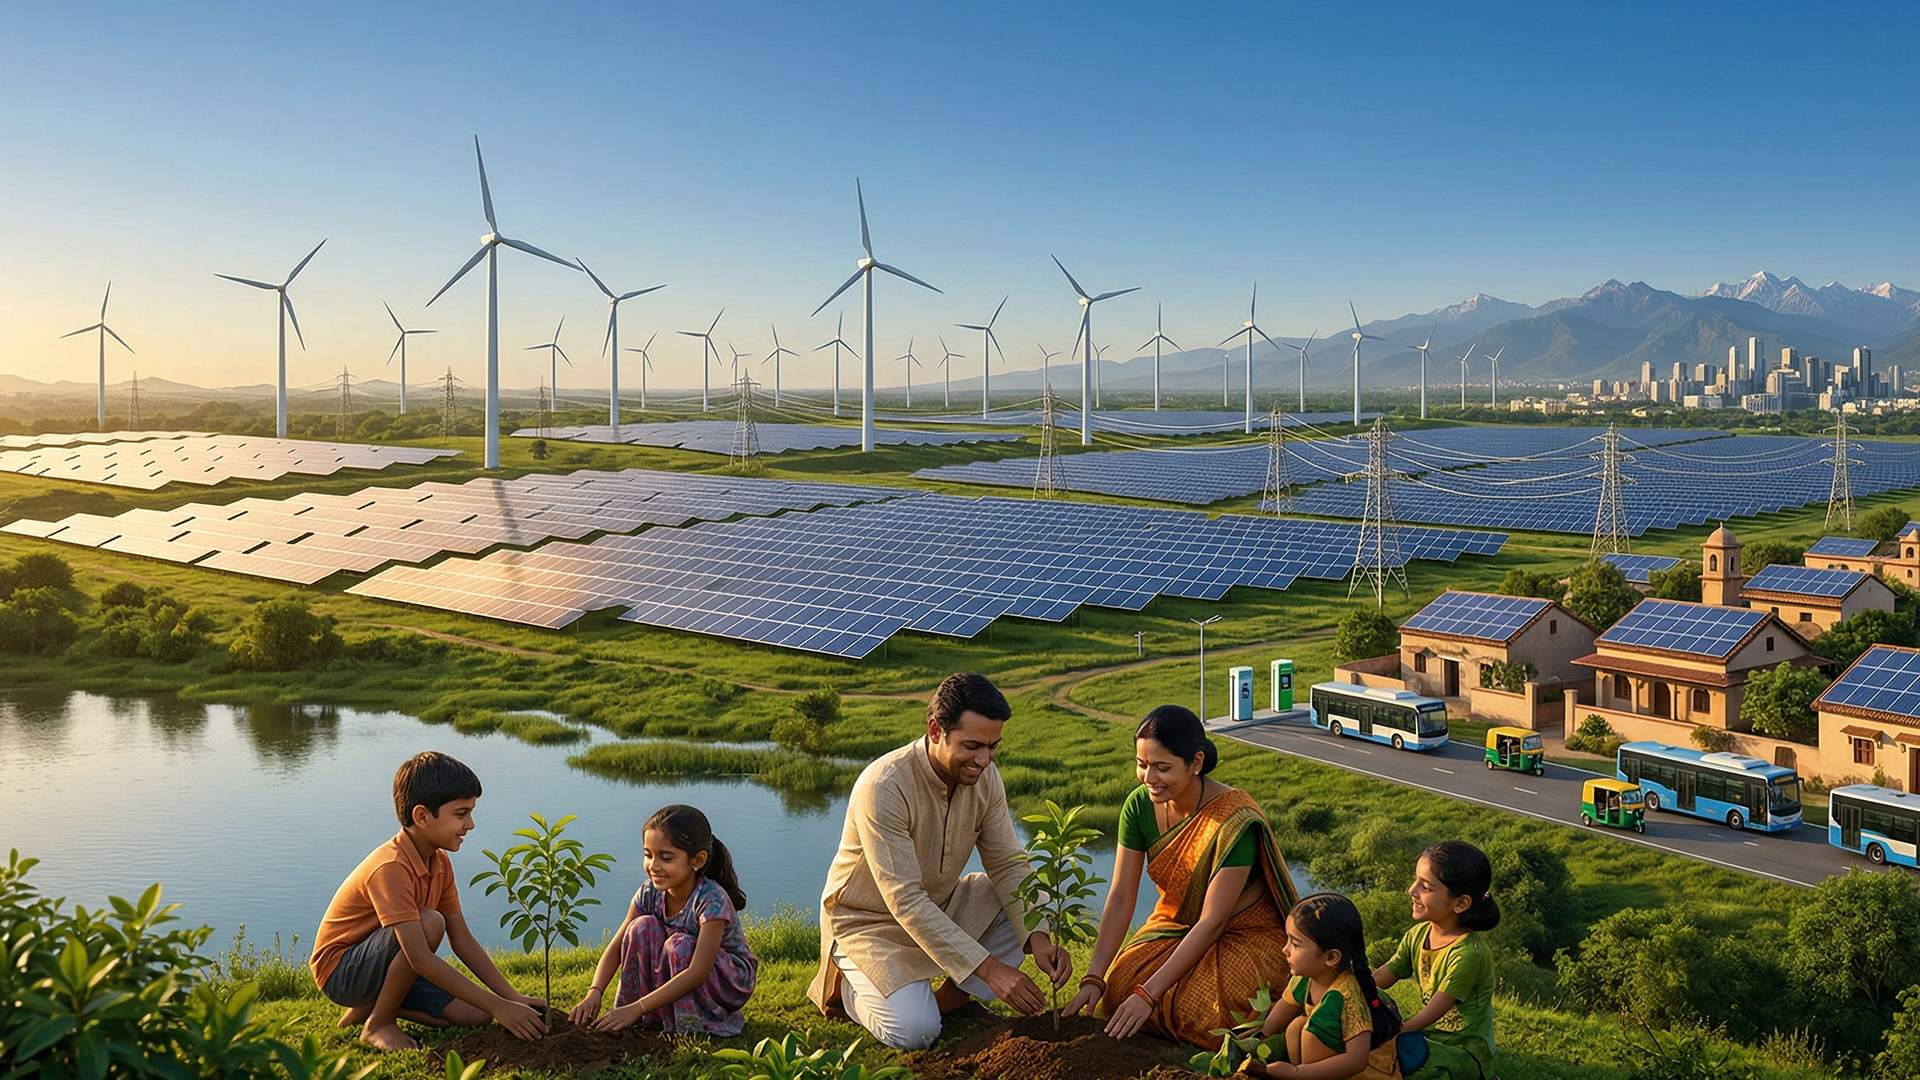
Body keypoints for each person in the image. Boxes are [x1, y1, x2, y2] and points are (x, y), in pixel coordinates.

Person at [808, 672, 1074, 1050]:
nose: (984, 760)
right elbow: (905, 900)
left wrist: (1040, 936)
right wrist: (991, 970)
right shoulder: (884, 786)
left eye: (993, 747)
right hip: (868, 922)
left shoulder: (986, 777)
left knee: (1019, 900)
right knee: (916, 1032)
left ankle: (949, 1001)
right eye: (972, 746)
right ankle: (849, 992)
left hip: (940, 905)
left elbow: (1009, 864)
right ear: (935, 730)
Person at [1064, 704, 1300, 1048]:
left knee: (1211, 1015)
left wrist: (1148, 995)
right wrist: (1094, 979)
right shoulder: (1138, 805)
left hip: (1245, 935)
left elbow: (1213, 922)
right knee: (1116, 993)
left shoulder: (1233, 820)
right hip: (1175, 925)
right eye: (1142, 765)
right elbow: (1120, 897)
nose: (1149, 779)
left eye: (1163, 768)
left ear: (1197, 763)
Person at [310, 751, 547, 1050]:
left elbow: (461, 940)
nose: (470, 824)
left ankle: (371, 1004)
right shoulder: (391, 867)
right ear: (422, 816)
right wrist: (502, 1008)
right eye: (461, 814)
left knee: (476, 1016)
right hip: (342, 973)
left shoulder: (440, 862)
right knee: (430, 923)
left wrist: (510, 999)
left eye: (471, 812)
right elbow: (420, 957)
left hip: (387, 964)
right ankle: (379, 1022)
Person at [569, 804, 759, 1036]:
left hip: (726, 979)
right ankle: (648, 1017)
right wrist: (595, 991)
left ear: (697, 860)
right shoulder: (649, 892)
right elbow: (617, 946)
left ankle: (690, 1026)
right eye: (648, 855)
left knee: (679, 946)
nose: (654, 866)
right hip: (678, 961)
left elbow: (698, 971)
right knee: (640, 927)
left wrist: (636, 1008)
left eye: (666, 857)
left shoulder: (711, 900)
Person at [1373, 841, 1499, 1080]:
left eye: (1425, 887)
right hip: (1430, 1038)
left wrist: (1391, 1036)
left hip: (1464, 1050)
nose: (1412, 890)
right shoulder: (1418, 934)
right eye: (1415, 880)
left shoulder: (1469, 954)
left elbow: (1435, 1010)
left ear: (1460, 903)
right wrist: (1349, 990)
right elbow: (1383, 977)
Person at [1257, 893, 1402, 1079]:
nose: (1285, 950)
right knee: (1295, 1027)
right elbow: (1270, 1027)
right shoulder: (1304, 978)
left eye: (1295, 944)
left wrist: (1295, 1073)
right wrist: (1248, 1046)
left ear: (1331, 957)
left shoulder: (1348, 995)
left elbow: (1356, 1060)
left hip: (1363, 1067)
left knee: (1312, 1032)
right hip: (1320, 1059)